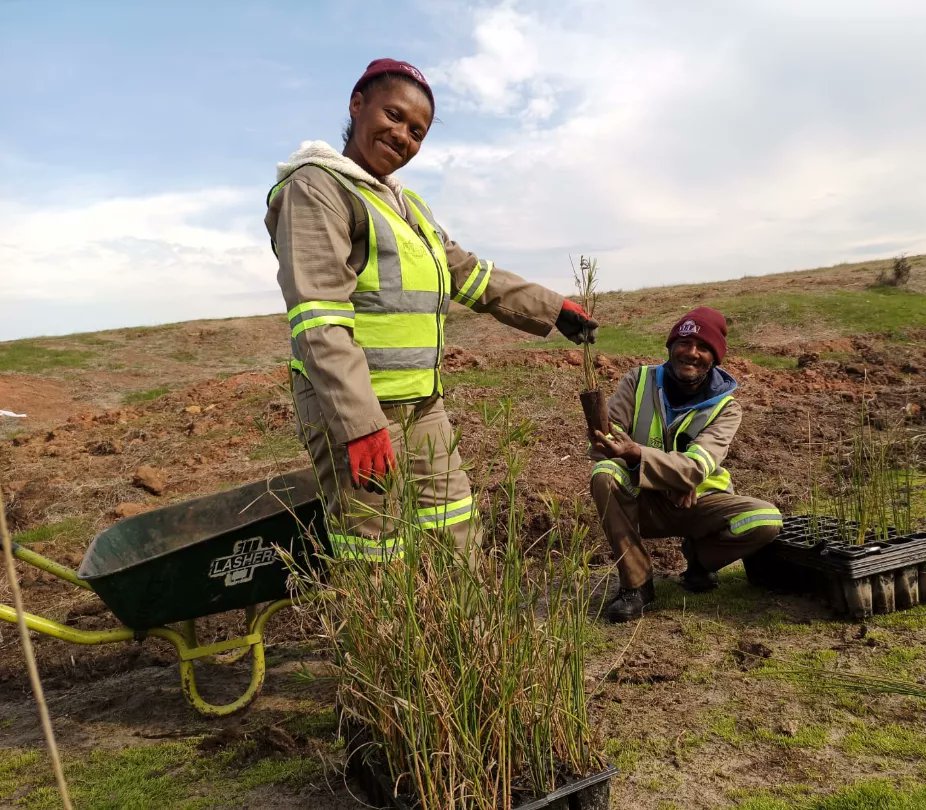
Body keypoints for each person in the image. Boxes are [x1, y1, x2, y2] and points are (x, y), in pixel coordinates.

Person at [265, 58, 598, 561]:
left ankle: (457, 638)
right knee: (374, 549)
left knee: (455, 527)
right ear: (358, 105)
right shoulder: (316, 189)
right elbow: (319, 320)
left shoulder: (409, 206)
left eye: (416, 131)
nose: (402, 136)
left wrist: (553, 310)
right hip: (359, 408)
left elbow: (468, 273)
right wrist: (359, 423)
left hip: (423, 402)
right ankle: (382, 641)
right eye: (393, 116)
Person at [590, 307, 782, 622]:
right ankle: (636, 585)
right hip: (645, 502)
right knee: (605, 473)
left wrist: (670, 470)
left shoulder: (727, 408)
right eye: (684, 342)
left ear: (715, 357)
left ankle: (699, 562)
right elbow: (606, 444)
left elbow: (697, 467)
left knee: (765, 519)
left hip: (701, 503)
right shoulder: (638, 381)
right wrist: (673, 477)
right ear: (670, 347)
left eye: (703, 347)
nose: (691, 353)